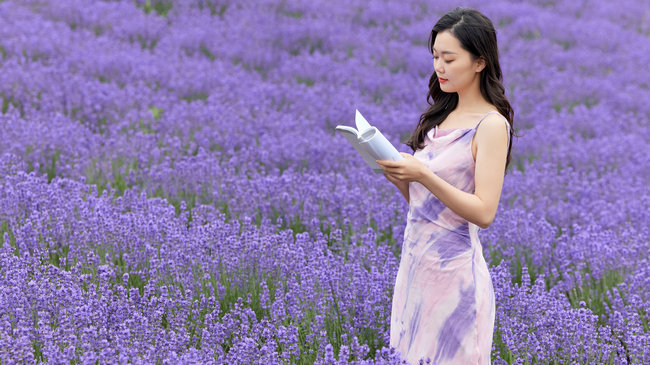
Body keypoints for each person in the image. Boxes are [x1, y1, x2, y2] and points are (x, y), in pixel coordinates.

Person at [376, 7, 515, 364]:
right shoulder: (440, 116)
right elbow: (425, 205)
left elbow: (484, 212)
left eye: (449, 58)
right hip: (415, 268)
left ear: (480, 62)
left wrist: (424, 175)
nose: (440, 67)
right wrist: (402, 179)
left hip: (455, 279)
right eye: (436, 56)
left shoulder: (491, 125)